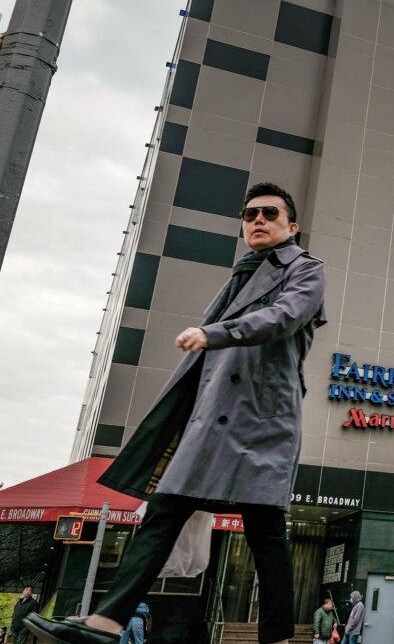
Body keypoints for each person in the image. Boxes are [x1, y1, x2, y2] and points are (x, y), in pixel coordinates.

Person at [26, 183, 327, 644]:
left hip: (262, 422)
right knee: (163, 511)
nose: (258, 220)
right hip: (212, 422)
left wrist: (215, 333)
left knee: (265, 534)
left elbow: (284, 317)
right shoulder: (242, 274)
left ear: (292, 225)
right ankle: (106, 623)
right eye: (250, 214)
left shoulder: (305, 269)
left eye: (270, 213)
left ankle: (277, 638)